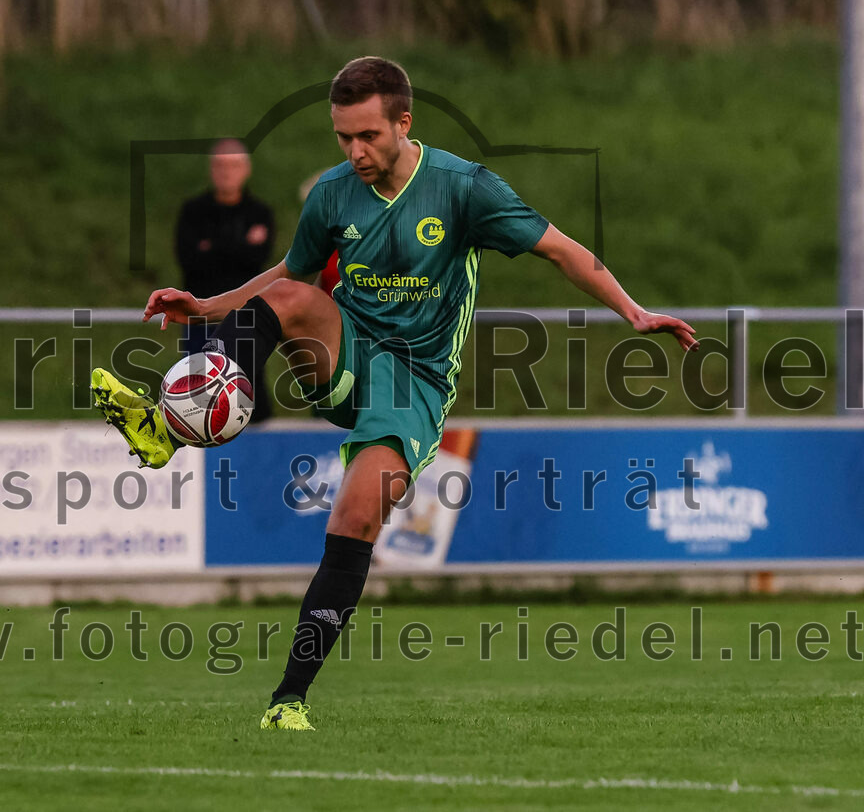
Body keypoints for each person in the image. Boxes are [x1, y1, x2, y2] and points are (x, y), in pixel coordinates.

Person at [91, 56, 699, 731]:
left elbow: (560, 250)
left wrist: (634, 311)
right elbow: (286, 278)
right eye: (343, 137)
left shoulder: (464, 188)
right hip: (346, 347)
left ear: (403, 123)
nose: (355, 152)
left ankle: (287, 701)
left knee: (354, 519)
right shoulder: (332, 193)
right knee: (294, 295)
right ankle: (170, 426)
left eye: (368, 137)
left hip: (414, 382)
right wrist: (206, 308)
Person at [174, 138, 275, 422]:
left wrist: (212, 246)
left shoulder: (259, 212)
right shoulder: (193, 211)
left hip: (245, 316)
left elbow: (258, 261)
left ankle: (255, 447)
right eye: (220, 165)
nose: (226, 172)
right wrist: (239, 245)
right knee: (199, 388)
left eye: (233, 165)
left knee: (247, 383)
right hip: (201, 317)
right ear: (211, 170)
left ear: (246, 169)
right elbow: (190, 261)